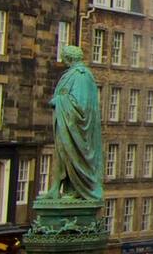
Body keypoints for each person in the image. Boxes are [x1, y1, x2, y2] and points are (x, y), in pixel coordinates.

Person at [44, 45, 105, 201]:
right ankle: (56, 188)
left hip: (74, 127)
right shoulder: (73, 73)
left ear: (68, 58)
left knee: (67, 155)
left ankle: (77, 189)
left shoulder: (81, 75)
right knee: (61, 155)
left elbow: (81, 105)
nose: (63, 61)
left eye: (63, 57)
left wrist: (59, 100)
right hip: (65, 123)